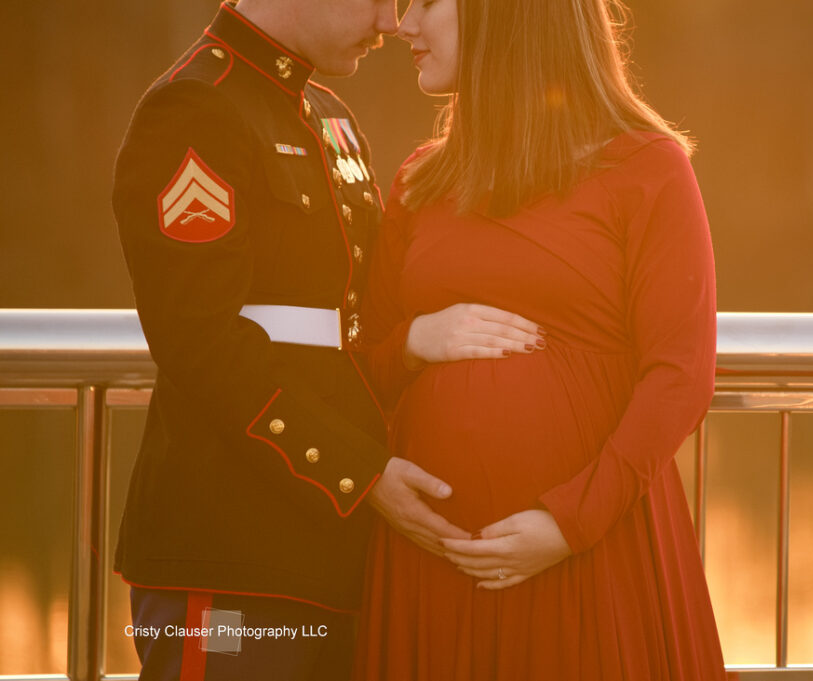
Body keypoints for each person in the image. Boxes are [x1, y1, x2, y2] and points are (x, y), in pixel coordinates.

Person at [111, 0, 538, 678]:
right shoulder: (196, 110)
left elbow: (352, 324)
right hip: (230, 564)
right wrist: (358, 472)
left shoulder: (331, 120)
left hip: (335, 556)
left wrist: (420, 341)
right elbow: (201, 344)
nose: (392, 23)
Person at [354, 0, 728, 678]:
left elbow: (680, 375)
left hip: (589, 560)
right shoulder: (419, 178)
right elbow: (360, 364)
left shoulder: (648, 169)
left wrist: (569, 524)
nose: (402, 25)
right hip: (431, 565)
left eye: (427, 3)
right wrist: (414, 339)